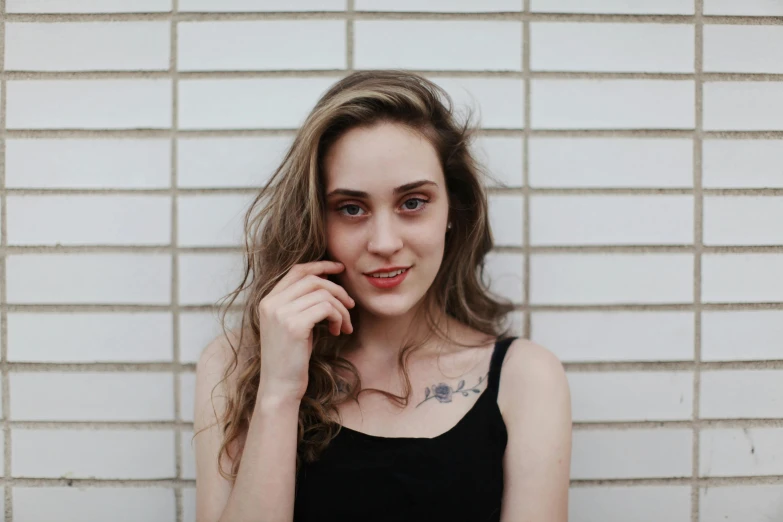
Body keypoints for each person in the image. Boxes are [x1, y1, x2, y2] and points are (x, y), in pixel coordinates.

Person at [193, 70, 572, 522]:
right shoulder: (235, 366)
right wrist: (278, 392)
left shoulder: (525, 377)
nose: (385, 242)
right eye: (351, 208)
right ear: (317, 219)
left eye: (413, 202)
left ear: (454, 209)